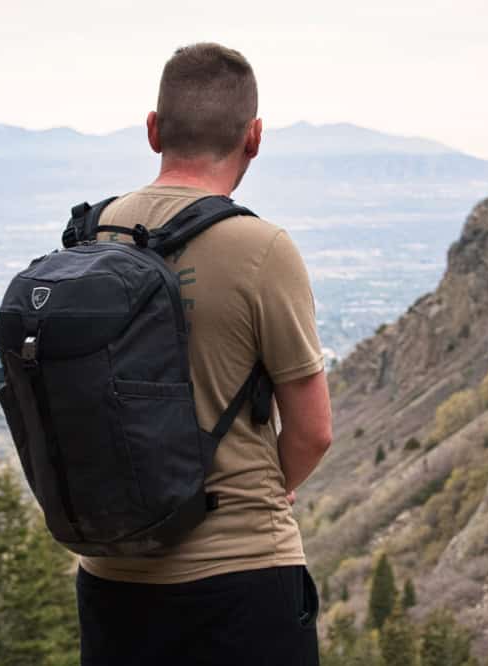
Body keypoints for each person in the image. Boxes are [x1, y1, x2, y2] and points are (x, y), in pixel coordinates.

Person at [76, 42, 333, 666]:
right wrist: (270, 487)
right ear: (254, 137)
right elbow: (313, 431)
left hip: (111, 582)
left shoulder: (93, 234)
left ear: (153, 129)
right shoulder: (261, 249)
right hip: (240, 576)